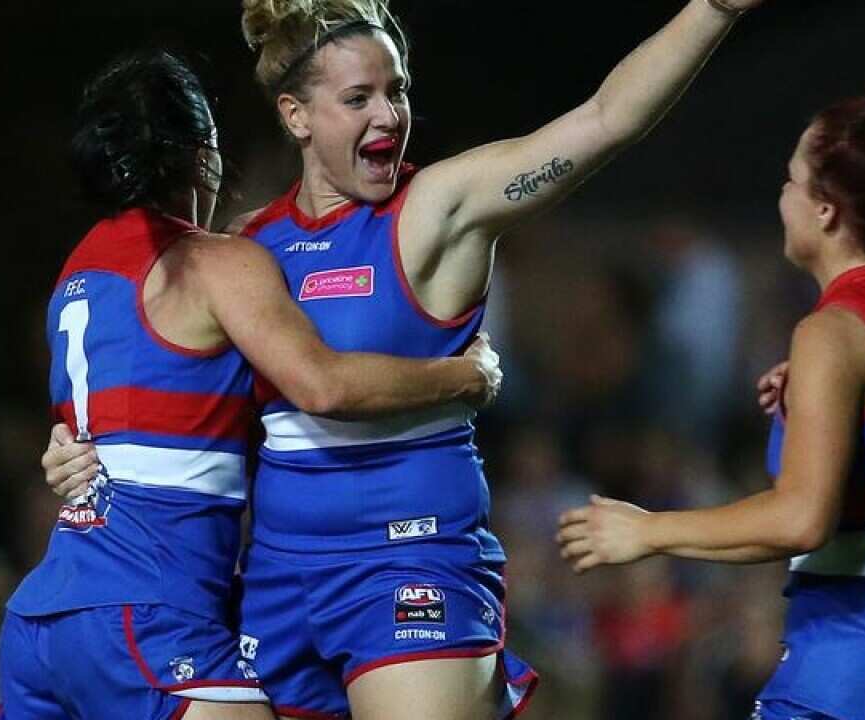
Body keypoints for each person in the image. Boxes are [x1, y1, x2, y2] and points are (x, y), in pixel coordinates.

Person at [45, 0, 765, 716]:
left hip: (408, 563)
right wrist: (76, 447)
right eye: (358, 98)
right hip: (276, 584)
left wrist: (712, 10)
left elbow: (608, 118)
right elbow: (164, 392)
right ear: (296, 115)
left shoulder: (438, 209)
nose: (388, 116)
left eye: (398, 91)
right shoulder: (245, 246)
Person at [3, 50, 502, 720]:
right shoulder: (215, 264)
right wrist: (464, 375)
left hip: (42, 621)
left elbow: (100, 438)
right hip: (145, 614)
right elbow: (321, 386)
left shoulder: (73, 279)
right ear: (203, 155)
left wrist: (61, 455)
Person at [557, 72, 865, 720]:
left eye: (791, 180)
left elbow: (800, 519)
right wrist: (826, 400)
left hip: (855, 663)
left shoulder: (831, 333)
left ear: (825, 209)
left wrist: (649, 530)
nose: (782, 196)